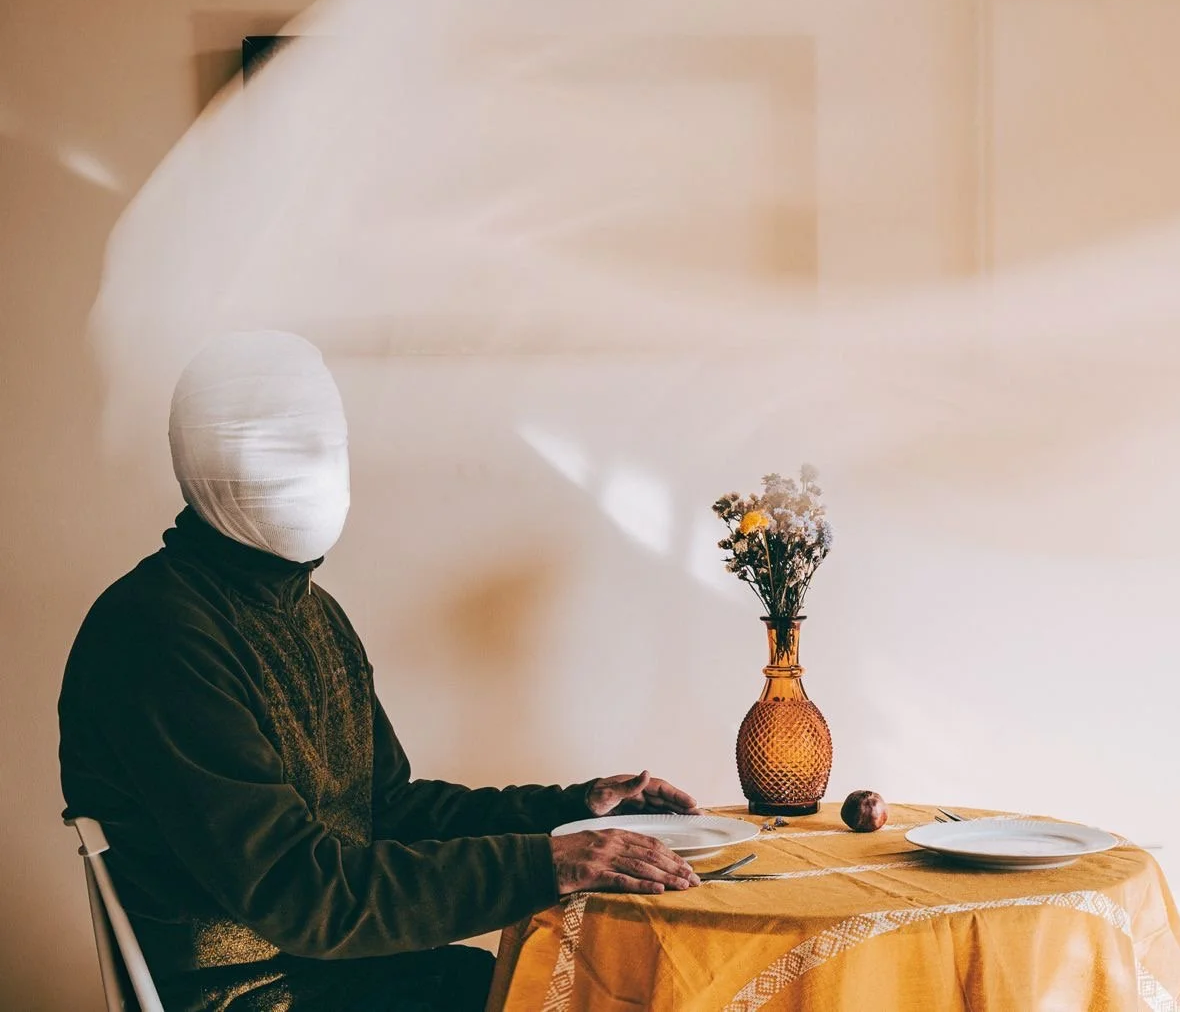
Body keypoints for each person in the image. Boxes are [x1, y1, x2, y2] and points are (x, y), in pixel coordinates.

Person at [58, 331, 702, 1012]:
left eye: (320, 441)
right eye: (273, 443)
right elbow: (300, 891)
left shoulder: (313, 612)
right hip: (255, 995)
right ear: (201, 457)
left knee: (599, 989)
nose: (308, 464)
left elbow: (388, 809)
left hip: (354, 973)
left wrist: (569, 812)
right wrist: (550, 862)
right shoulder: (158, 633)